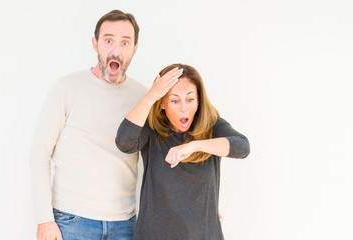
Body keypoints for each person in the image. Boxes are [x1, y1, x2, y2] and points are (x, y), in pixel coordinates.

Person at [30, 10, 147, 240]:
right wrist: (44, 219)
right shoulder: (67, 88)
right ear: (95, 44)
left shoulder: (143, 98)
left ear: (134, 49)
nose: (116, 50)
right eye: (108, 40)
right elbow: (40, 155)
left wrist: (201, 204)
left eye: (125, 43)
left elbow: (161, 159)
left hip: (125, 224)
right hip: (71, 221)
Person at [115, 63, 250, 239]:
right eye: (174, 100)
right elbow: (124, 142)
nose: (183, 107)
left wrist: (194, 146)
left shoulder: (213, 126)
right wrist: (151, 96)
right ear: (162, 103)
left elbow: (242, 147)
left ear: (199, 101)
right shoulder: (152, 128)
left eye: (190, 99)